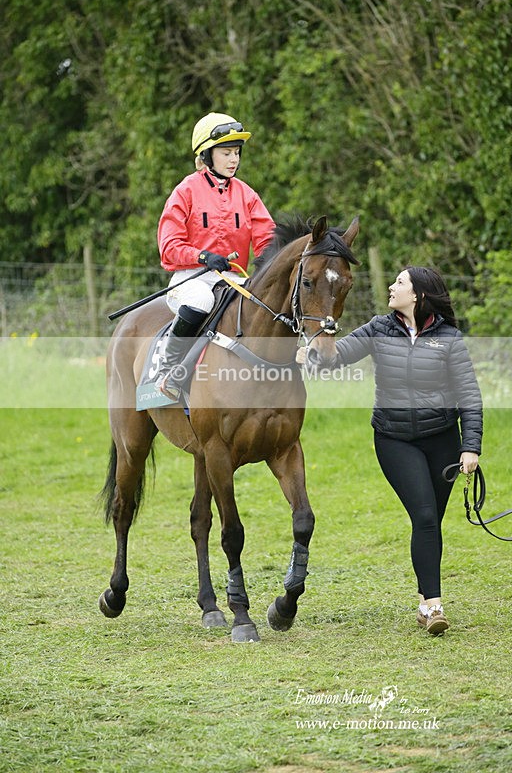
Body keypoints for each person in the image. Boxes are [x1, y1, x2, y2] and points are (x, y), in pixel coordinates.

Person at [301, 266, 483, 635]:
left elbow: (469, 395)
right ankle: (434, 607)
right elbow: (336, 359)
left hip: (443, 440)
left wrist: (470, 446)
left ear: (417, 295)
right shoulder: (378, 328)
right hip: (395, 439)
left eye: (400, 282)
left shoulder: (448, 336)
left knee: (428, 522)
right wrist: (319, 347)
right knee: (426, 516)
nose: (391, 286)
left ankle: (424, 601)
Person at [156, 111, 276, 399]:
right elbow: (168, 246)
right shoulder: (185, 191)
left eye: (236, 152)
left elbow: (267, 241)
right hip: (191, 279)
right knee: (201, 300)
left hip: (235, 281)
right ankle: (168, 369)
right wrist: (203, 256)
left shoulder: (247, 194)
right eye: (226, 153)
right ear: (207, 155)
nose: (233, 160)